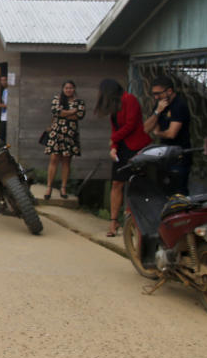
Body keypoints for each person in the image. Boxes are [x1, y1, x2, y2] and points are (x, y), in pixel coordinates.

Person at [95, 79, 150, 237]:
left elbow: (131, 124)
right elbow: (116, 127)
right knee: (117, 183)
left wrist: (114, 139)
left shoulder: (129, 99)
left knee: (134, 184)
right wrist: (114, 147)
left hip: (136, 147)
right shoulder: (115, 105)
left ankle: (132, 221)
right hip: (122, 147)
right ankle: (113, 221)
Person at [143, 75, 191, 194]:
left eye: (159, 93)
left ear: (169, 91)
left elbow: (171, 134)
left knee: (178, 191)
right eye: (154, 94)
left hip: (179, 154)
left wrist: (159, 133)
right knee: (163, 189)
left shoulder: (179, 105)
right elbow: (145, 129)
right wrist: (157, 112)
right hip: (164, 154)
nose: (156, 97)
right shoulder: (160, 105)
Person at [43, 80, 85, 200]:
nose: (68, 90)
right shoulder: (57, 99)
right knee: (54, 159)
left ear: (74, 89)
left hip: (70, 134)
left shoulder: (79, 102)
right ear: (63, 89)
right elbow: (56, 112)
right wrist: (71, 112)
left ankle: (63, 188)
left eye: (71, 88)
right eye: (66, 88)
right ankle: (49, 187)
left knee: (66, 161)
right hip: (56, 133)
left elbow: (79, 115)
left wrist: (64, 113)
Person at [0, 74, 9, 140]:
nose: (3, 82)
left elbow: (10, 105)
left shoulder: (10, 91)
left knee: (4, 136)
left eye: (4, 80)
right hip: (3, 116)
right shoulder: (4, 91)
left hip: (7, 117)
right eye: (1, 80)